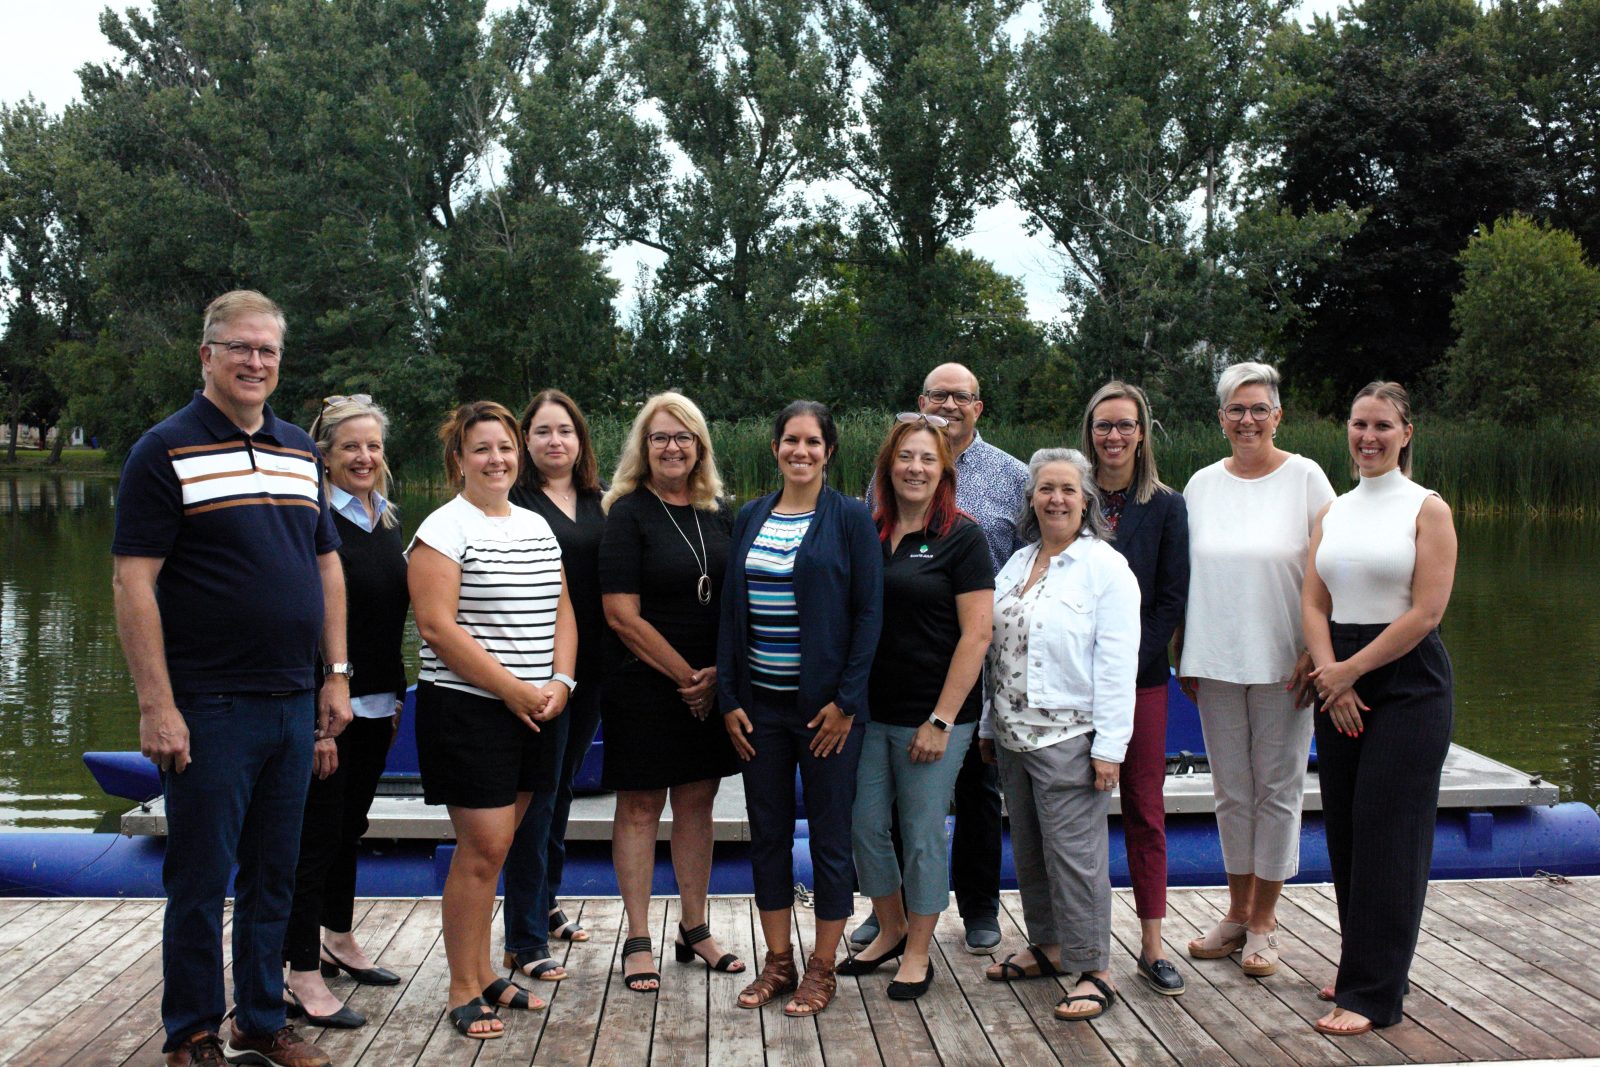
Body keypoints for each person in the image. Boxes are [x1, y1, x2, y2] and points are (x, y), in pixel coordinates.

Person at [112, 289, 347, 1067]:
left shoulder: (297, 450)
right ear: (206, 354)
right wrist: (157, 705)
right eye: (239, 347)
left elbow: (326, 565)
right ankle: (191, 1030)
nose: (255, 362)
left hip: (291, 698)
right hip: (207, 702)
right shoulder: (164, 449)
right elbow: (132, 582)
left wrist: (335, 675)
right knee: (200, 876)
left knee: (274, 872)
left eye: (268, 351)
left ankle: (259, 1014)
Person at [407, 401, 577, 1040]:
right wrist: (511, 689)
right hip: (470, 712)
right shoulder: (442, 529)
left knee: (503, 845)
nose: (497, 459)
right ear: (459, 459)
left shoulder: (536, 525)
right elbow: (435, 627)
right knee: (481, 850)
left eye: (505, 447)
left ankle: (485, 973)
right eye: (482, 449)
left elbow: (564, 610)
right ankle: (461, 986)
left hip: (537, 711)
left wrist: (560, 682)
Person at [856, 362, 1027, 956]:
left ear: (979, 405)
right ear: (921, 401)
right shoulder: (878, 495)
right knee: (886, 814)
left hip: (975, 668)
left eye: (962, 396)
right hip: (888, 682)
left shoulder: (1013, 476)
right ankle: (889, 915)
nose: (950, 405)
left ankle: (978, 907)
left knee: (978, 796)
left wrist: (950, 711)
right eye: (938, 395)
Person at [1302, 382, 1456, 1036]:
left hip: (1406, 680)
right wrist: (1327, 676)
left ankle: (1372, 995)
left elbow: (1426, 611)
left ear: (1406, 432)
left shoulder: (1428, 509)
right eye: (1359, 423)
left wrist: (1348, 672)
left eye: (1382, 425)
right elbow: (1313, 600)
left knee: (1390, 832)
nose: (1368, 436)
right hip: (1337, 673)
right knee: (1349, 833)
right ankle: (1361, 962)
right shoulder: (1333, 509)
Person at [719, 400, 883, 1017]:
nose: (801, 452)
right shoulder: (750, 516)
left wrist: (846, 703)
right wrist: (730, 698)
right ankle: (779, 962)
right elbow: (732, 614)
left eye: (813, 442)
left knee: (831, 841)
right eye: (791, 440)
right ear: (775, 447)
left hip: (828, 717)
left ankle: (822, 968)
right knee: (767, 835)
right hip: (760, 710)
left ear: (829, 451)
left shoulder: (849, 519)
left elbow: (870, 616)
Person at [1179, 362, 1335, 978]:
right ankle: (1236, 912)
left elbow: (1331, 567)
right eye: (1236, 410)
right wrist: (1184, 647)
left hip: (1285, 659)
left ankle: (1266, 921)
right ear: (1221, 419)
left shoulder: (1306, 479)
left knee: (1277, 789)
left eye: (1258, 409)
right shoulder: (1200, 484)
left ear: (1278, 415)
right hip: (1213, 658)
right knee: (1230, 790)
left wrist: (1315, 649)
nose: (1247, 419)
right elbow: (1186, 574)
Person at [980, 448, 1139, 1022]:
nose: (1056, 499)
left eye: (1068, 489)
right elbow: (993, 650)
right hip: (1012, 733)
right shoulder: (1018, 562)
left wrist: (1109, 750)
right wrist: (985, 723)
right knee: (1030, 851)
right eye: (1045, 489)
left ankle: (1095, 969)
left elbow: (1119, 664)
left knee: (1076, 858)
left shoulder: (1105, 568)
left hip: (1069, 735)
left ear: (1087, 500)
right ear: (1031, 500)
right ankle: (1048, 946)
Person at [843, 413, 993, 1001]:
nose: (915, 467)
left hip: (934, 716)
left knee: (923, 833)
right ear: (888, 465)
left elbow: (977, 635)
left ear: (943, 469)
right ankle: (891, 925)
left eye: (927, 458)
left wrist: (942, 719)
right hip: (869, 712)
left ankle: (918, 951)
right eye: (906, 457)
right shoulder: (868, 530)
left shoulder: (964, 537)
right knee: (864, 826)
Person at [599, 392, 743, 994]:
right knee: (638, 807)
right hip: (646, 684)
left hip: (709, 686)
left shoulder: (718, 513)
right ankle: (637, 937)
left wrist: (716, 677)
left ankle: (694, 927)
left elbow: (736, 601)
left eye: (683, 436)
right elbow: (620, 614)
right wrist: (689, 677)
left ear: (700, 445)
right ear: (644, 446)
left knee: (696, 805)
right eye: (660, 437)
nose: (672, 447)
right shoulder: (627, 513)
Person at [282, 395, 410, 1028]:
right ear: (324, 456)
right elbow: (307, 621)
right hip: (329, 703)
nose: (365, 458)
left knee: (350, 826)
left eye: (374, 446)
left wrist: (396, 695)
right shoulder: (312, 519)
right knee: (316, 836)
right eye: (351, 447)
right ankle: (297, 969)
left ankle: (338, 936)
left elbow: (390, 618)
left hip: (380, 699)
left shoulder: (385, 517)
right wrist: (314, 715)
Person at [1079, 381, 1189, 996]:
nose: (1113, 436)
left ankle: (1151, 947)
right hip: (1071, 687)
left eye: (1124, 425)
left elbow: (1171, 600)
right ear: (1089, 432)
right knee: (1073, 816)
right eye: (1103, 426)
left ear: (1142, 432)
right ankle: (1072, 941)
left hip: (1142, 684)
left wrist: (1123, 667)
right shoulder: (1071, 494)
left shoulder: (1167, 507)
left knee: (1145, 812)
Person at [501, 389, 607, 982]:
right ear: (526, 440)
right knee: (535, 799)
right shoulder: (514, 502)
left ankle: (547, 900)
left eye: (564, 430)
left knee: (563, 789)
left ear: (579, 439)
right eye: (542, 431)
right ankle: (523, 937)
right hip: (538, 672)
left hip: (592, 668)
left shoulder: (598, 502)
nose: (555, 441)